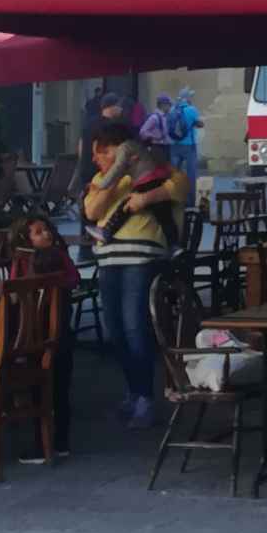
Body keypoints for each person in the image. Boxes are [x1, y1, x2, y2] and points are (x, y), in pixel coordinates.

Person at [82, 125, 189, 428]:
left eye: (100, 151)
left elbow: (180, 186)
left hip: (141, 259)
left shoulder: (154, 168)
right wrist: (112, 182)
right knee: (115, 330)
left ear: (119, 147)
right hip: (108, 260)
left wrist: (147, 196)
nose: (95, 159)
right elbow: (91, 211)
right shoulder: (104, 179)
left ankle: (145, 399)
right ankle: (134, 392)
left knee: (135, 328)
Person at [9, 214, 79, 462]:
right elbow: (74, 280)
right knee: (60, 390)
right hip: (61, 337)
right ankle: (60, 443)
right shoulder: (61, 258)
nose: (46, 234)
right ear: (25, 237)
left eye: (47, 229)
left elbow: (13, 294)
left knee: (41, 391)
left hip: (35, 340)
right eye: (39, 232)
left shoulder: (25, 262)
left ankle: (42, 446)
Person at [166, 87, 202, 193]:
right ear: (187, 98)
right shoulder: (192, 109)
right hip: (189, 146)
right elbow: (199, 123)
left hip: (174, 145)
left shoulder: (172, 109)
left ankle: (174, 199)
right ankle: (190, 201)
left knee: (174, 174)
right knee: (191, 174)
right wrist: (196, 123)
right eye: (191, 96)